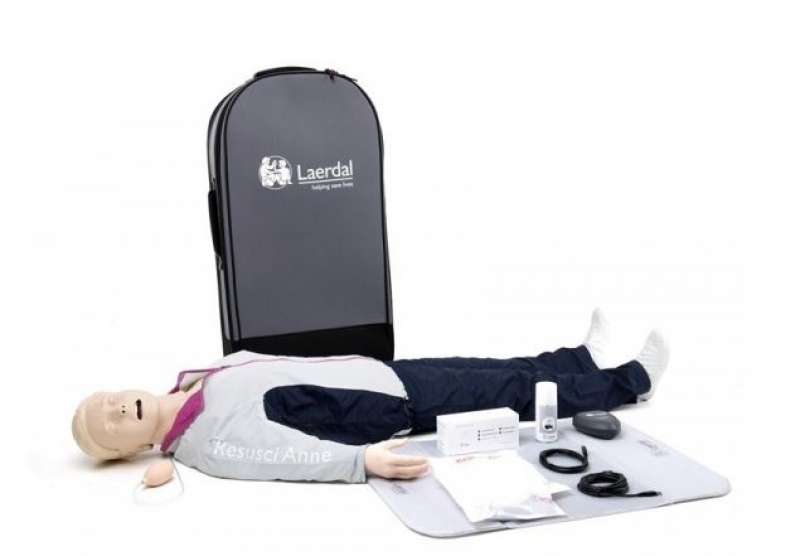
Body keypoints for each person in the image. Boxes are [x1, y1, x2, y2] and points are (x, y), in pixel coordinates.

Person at [72, 310, 669, 485]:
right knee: (513, 393)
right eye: (109, 426)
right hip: (392, 406)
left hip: (381, 372)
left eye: (108, 401)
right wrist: (361, 462)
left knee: (497, 369)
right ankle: (631, 380)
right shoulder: (206, 441)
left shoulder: (192, 380)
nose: (116, 410)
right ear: (131, 451)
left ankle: (581, 359)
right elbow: (286, 456)